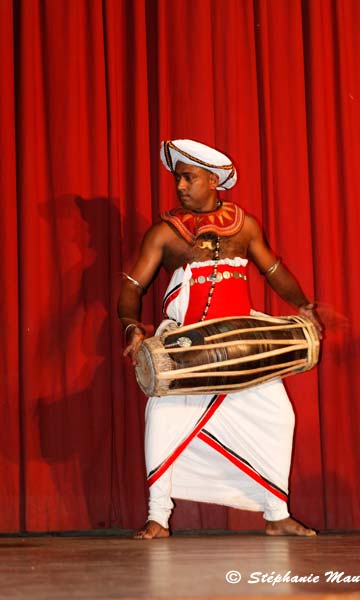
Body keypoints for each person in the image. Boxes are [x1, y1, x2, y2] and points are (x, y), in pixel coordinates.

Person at [118, 139, 322, 540]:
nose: (179, 186)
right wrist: (131, 324)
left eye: (188, 178)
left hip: (243, 348)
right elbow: (132, 285)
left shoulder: (244, 226)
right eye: (178, 178)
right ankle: (158, 516)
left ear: (214, 180)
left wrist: (304, 305)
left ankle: (276, 514)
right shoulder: (164, 233)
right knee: (162, 421)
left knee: (279, 417)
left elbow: (273, 269)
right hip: (187, 350)